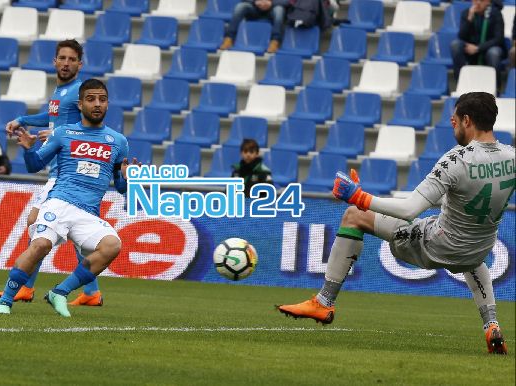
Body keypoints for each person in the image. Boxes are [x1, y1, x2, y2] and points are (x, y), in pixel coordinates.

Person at [277, 92, 513, 355]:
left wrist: (360, 197)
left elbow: (409, 209)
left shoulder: (456, 160)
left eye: (455, 119)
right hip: (478, 251)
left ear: (467, 120)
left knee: (355, 216)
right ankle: (491, 323)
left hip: (437, 245)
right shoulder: (511, 157)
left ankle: (324, 301)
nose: (451, 121)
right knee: (471, 253)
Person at [0, 79, 140, 317]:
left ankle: (59, 292)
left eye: (102, 99)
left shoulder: (118, 142)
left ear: (108, 104)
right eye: (91, 99)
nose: (97, 104)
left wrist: (129, 179)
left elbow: (121, 188)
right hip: (60, 202)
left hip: (88, 213)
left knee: (112, 245)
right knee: (40, 245)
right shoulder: (63, 133)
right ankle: (6, 300)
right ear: (80, 104)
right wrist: (29, 149)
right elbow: (34, 166)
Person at [2, 39, 103, 306]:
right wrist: (24, 120)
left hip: (66, 172)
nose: (66, 63)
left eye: (72, 59)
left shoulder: (78, 93)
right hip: (59, 170)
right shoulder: (61, 93)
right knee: (74, 236)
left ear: (80, 64)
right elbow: (51, 116)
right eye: (63, 58)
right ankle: (92, 293)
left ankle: (24, 286)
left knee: (37, 225)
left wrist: (59, 135)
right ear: (54, 61)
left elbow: (88, 126)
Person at [450, 0, 506, 88]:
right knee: (455, 45)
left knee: (494, 53)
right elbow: (461, 36)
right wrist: (469, 19)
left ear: (488, 2)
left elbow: (498, 39)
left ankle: (496, 88)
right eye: (476, 0)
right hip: (470, 50)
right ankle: (461, 84)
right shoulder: (466, 13)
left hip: (488, 48)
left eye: (482, 0)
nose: (478, 3)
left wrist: (478, 48)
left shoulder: (496, 14)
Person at [219, 0, 289, 54]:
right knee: (240, 6)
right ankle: (229, 39)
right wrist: (255, 1)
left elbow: (288, 1)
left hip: (273, 8)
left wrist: (271, 3)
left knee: (279, 10)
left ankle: (275, 42)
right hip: (254, 8)